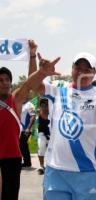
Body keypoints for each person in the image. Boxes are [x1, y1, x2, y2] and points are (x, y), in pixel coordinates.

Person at [28, 51, 96, 200]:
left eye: (87, 70)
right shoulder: (58, 88)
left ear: (94, 74)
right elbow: (33, 85)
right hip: (56, 171)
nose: (81, 73)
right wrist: (40, 73)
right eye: (78, 68)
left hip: (86, 172)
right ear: (71, 68)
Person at [0, 40, 38, 200]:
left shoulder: (15, 99)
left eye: (7, 79)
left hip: (12, 158)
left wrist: (32, 55)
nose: (5, 83)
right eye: (0, 80)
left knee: (10, 196)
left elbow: (31, 82)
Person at [19, 100, 36, 168]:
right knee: (22, 146)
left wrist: (28, 128)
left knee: (22, 145)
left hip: (26, 129)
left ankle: (27, 162)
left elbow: (33, 116)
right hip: (19, 129)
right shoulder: (19, 104)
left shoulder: (30, 105)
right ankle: (27, 162)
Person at [37, 98, 50, 175]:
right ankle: (42, 166)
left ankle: (49, 166)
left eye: (46, 105)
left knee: (51, 150)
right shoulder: (39, 112)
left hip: (51, 133)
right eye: (43, 105)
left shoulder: (53, 112)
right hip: (42, 133)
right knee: (41, 147)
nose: (45, 107)